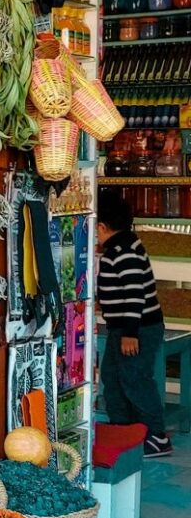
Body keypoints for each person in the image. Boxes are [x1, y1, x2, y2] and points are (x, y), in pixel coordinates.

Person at [97, 190, 171, 458]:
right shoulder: (121, 247)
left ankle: (156, 435)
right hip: (123, 329)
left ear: (101, 226)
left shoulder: (124, 251)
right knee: (113, 378)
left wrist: (130, 333)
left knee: (136, 380)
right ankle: (123, 431)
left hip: (137, 329)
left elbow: (135, 294)